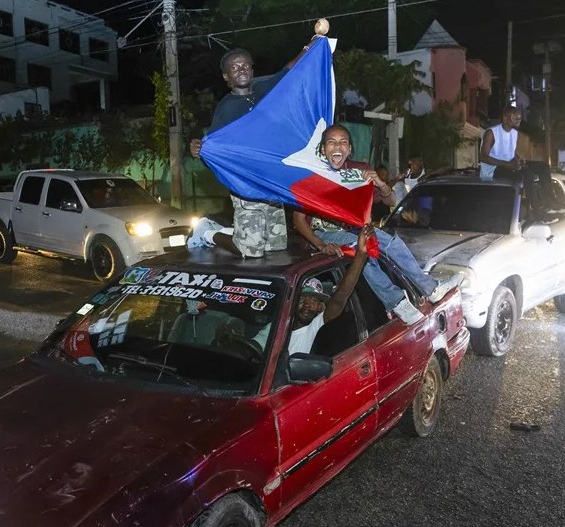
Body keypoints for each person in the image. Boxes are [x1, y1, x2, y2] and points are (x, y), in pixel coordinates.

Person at [292, 124, 462, 325]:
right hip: (323, 234)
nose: (337, 146)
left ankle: (432, 289)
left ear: (349, 149)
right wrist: (321, 245)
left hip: (352, 228)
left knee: (391, 242)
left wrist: (380, 184)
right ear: (322, 149)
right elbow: (298, 220)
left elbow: (391, 202)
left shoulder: (358, 172)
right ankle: (396, 302)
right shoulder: (312, 176)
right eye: (331, 142)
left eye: (343, 142)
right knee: (360, 248)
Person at [189, 41, 313, 258]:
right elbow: (213, 146)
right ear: (226, 77)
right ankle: (208, 231)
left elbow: (288, 71)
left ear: (252, 70)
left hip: (270, 184)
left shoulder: (263, 91)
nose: (241, 70)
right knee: (251, 250)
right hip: (245, 185)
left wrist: (311, 46)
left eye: (245, 65)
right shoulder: (227, 107)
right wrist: (199, 150)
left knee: (276, 246)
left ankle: (240, 233)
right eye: (235, 67)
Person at [288, 226, 372, 355]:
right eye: (303, 298)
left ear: (320, 307)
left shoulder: (315, 327)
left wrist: (360, 256)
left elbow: (339, 299)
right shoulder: (277, 328)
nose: (307, 304)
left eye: (313, 299)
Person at [480, 105, 523, 179]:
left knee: (543, 168)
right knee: (521, 177)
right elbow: (483, 157)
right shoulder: (491, 133)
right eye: (515, 117)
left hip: (507, 168)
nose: (518, 120)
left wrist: (518, 160)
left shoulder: (515, 133)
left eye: (519, 118)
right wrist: (507, 164)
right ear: (505, 118)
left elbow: (512, 153)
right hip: (493, 171)